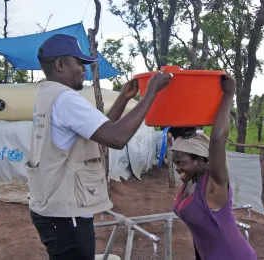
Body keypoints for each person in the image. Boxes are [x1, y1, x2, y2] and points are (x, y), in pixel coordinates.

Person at [26, 34, 172, 260]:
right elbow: (116, 138)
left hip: (51, 205)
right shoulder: (66, 99)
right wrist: (151, 92)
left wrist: (123, 98)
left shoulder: (48, 95)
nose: (83, 69)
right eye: (80, 63)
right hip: (65, 211)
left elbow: (101, 132)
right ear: (60, 64)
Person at [170, 74, 257, 260]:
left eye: (181, 163)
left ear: (200, 160)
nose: (177, 168)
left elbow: (217, 138)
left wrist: (228, 94)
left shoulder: (214, 186)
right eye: (174, 163)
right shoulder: (190, 181)